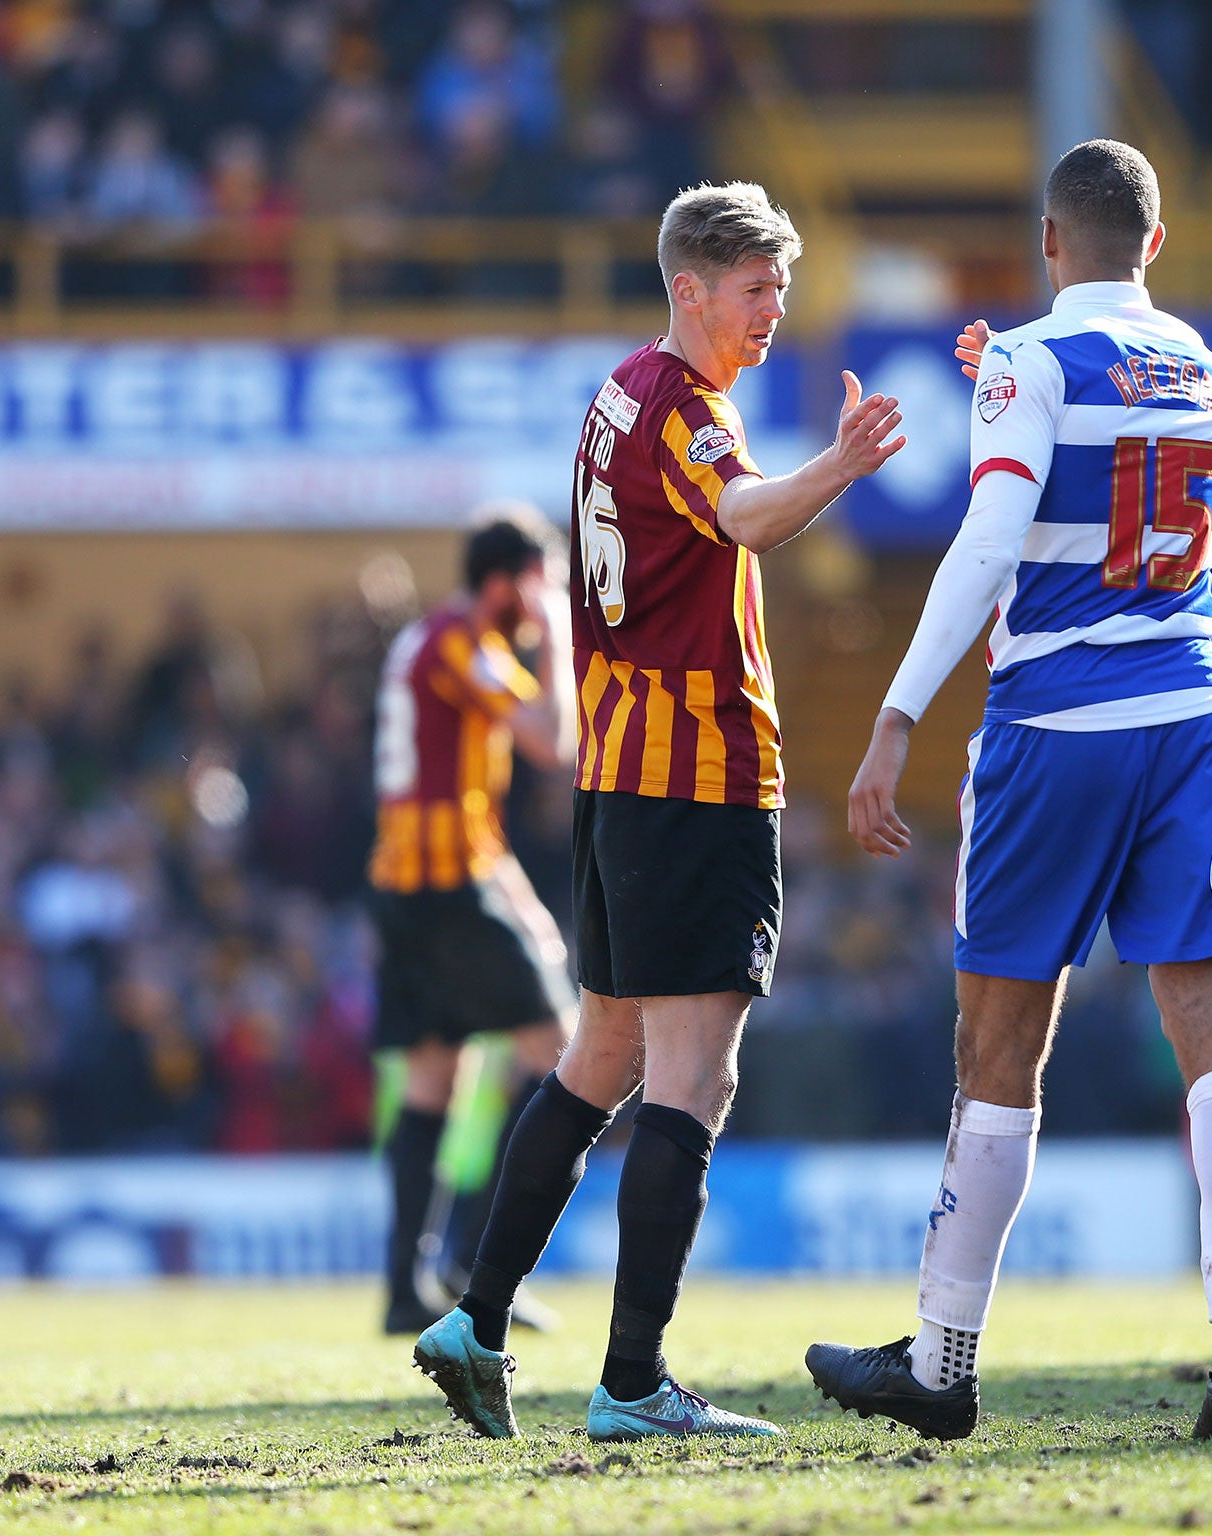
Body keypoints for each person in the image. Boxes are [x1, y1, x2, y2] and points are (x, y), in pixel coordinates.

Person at [413, 180, 905, 1442]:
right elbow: (742, 515)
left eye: (781, 289)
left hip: (617, 777)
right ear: (690, 288)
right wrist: (841, 466)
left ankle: (473, 1318)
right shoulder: (684, 411)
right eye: (754, 290)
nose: (773, 313)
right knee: (697, 1071)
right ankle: (632, 1383)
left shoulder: (616, 388)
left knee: (604, 1054)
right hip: (693, 775)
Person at [804, 141, 1212, 1444]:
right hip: (1189, 714)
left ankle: (944, 1364)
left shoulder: (1026, 362)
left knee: (1000, 1046)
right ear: (1157, 244)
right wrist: (1010, 383)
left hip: (1056, 727)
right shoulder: (1203, 364)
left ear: (1049, 242)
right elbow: (1123, 480)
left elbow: (996, 538)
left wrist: (894, 714)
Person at [369, 509, 576, 1334]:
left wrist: (518, 897)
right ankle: (472, 1264)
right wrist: (558, 627)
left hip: (410, 884)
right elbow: (552, 739)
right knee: (563, 1056)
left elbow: (460, 794)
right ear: (506, 582)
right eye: (542, 583)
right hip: (449, 888)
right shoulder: (463, 641)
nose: (547, 600)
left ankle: (404, 1284)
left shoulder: (426, 640)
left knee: (433, 1078)